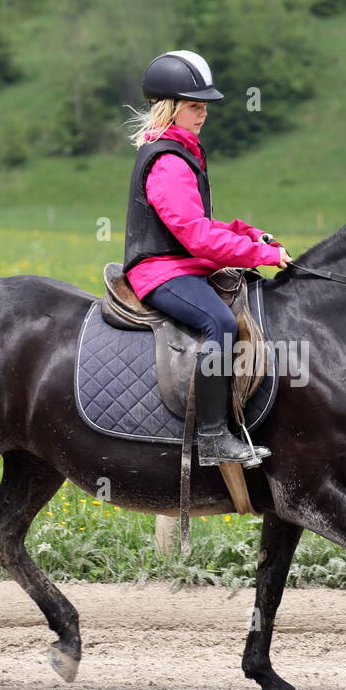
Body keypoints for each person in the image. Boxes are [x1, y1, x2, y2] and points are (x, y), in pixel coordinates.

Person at [120, 50, 291, 467]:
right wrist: (261, 254)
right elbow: (196, 237)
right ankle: (213, 437)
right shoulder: (168, 159)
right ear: (171, 107)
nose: (203, 114)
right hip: (160, 271)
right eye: (195, 106)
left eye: (204, 107)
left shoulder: (183, 152)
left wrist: (246, 232)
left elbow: (200, 223)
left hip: (180, 265)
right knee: (220, 322)